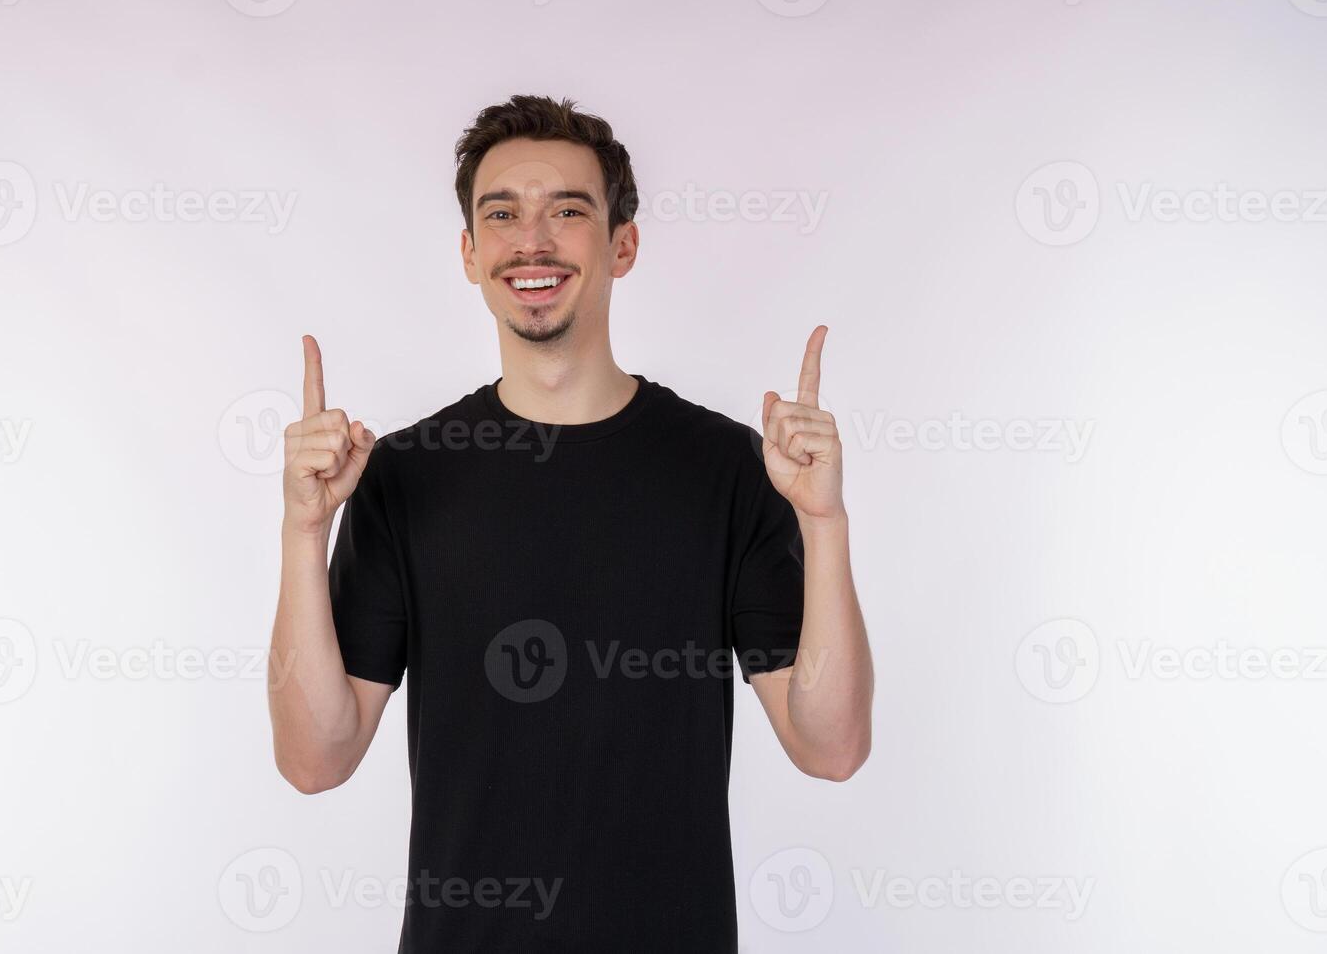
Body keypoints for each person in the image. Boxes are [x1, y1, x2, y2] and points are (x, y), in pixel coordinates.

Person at [267, 94, 874, 952]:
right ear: (471, 254)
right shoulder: (405, 475)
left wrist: (825, 522)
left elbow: (832, 746)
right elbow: (314, 761)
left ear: (623, 244)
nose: (533, 240)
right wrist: (302, 534)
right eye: (503, 214)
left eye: (569, 211)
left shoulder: (729, 469)